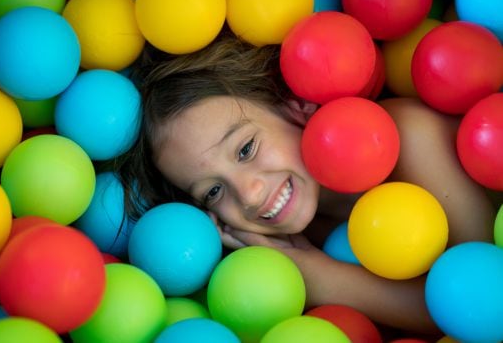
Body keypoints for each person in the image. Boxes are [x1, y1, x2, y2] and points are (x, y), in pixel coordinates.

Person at [115, 31, 498, 335]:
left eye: (246, 149)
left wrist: (319, 277)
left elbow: (488, 303)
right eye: (213, 191)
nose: (248, 194)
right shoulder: (280, 251)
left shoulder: (407, 138)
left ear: (295, 104)